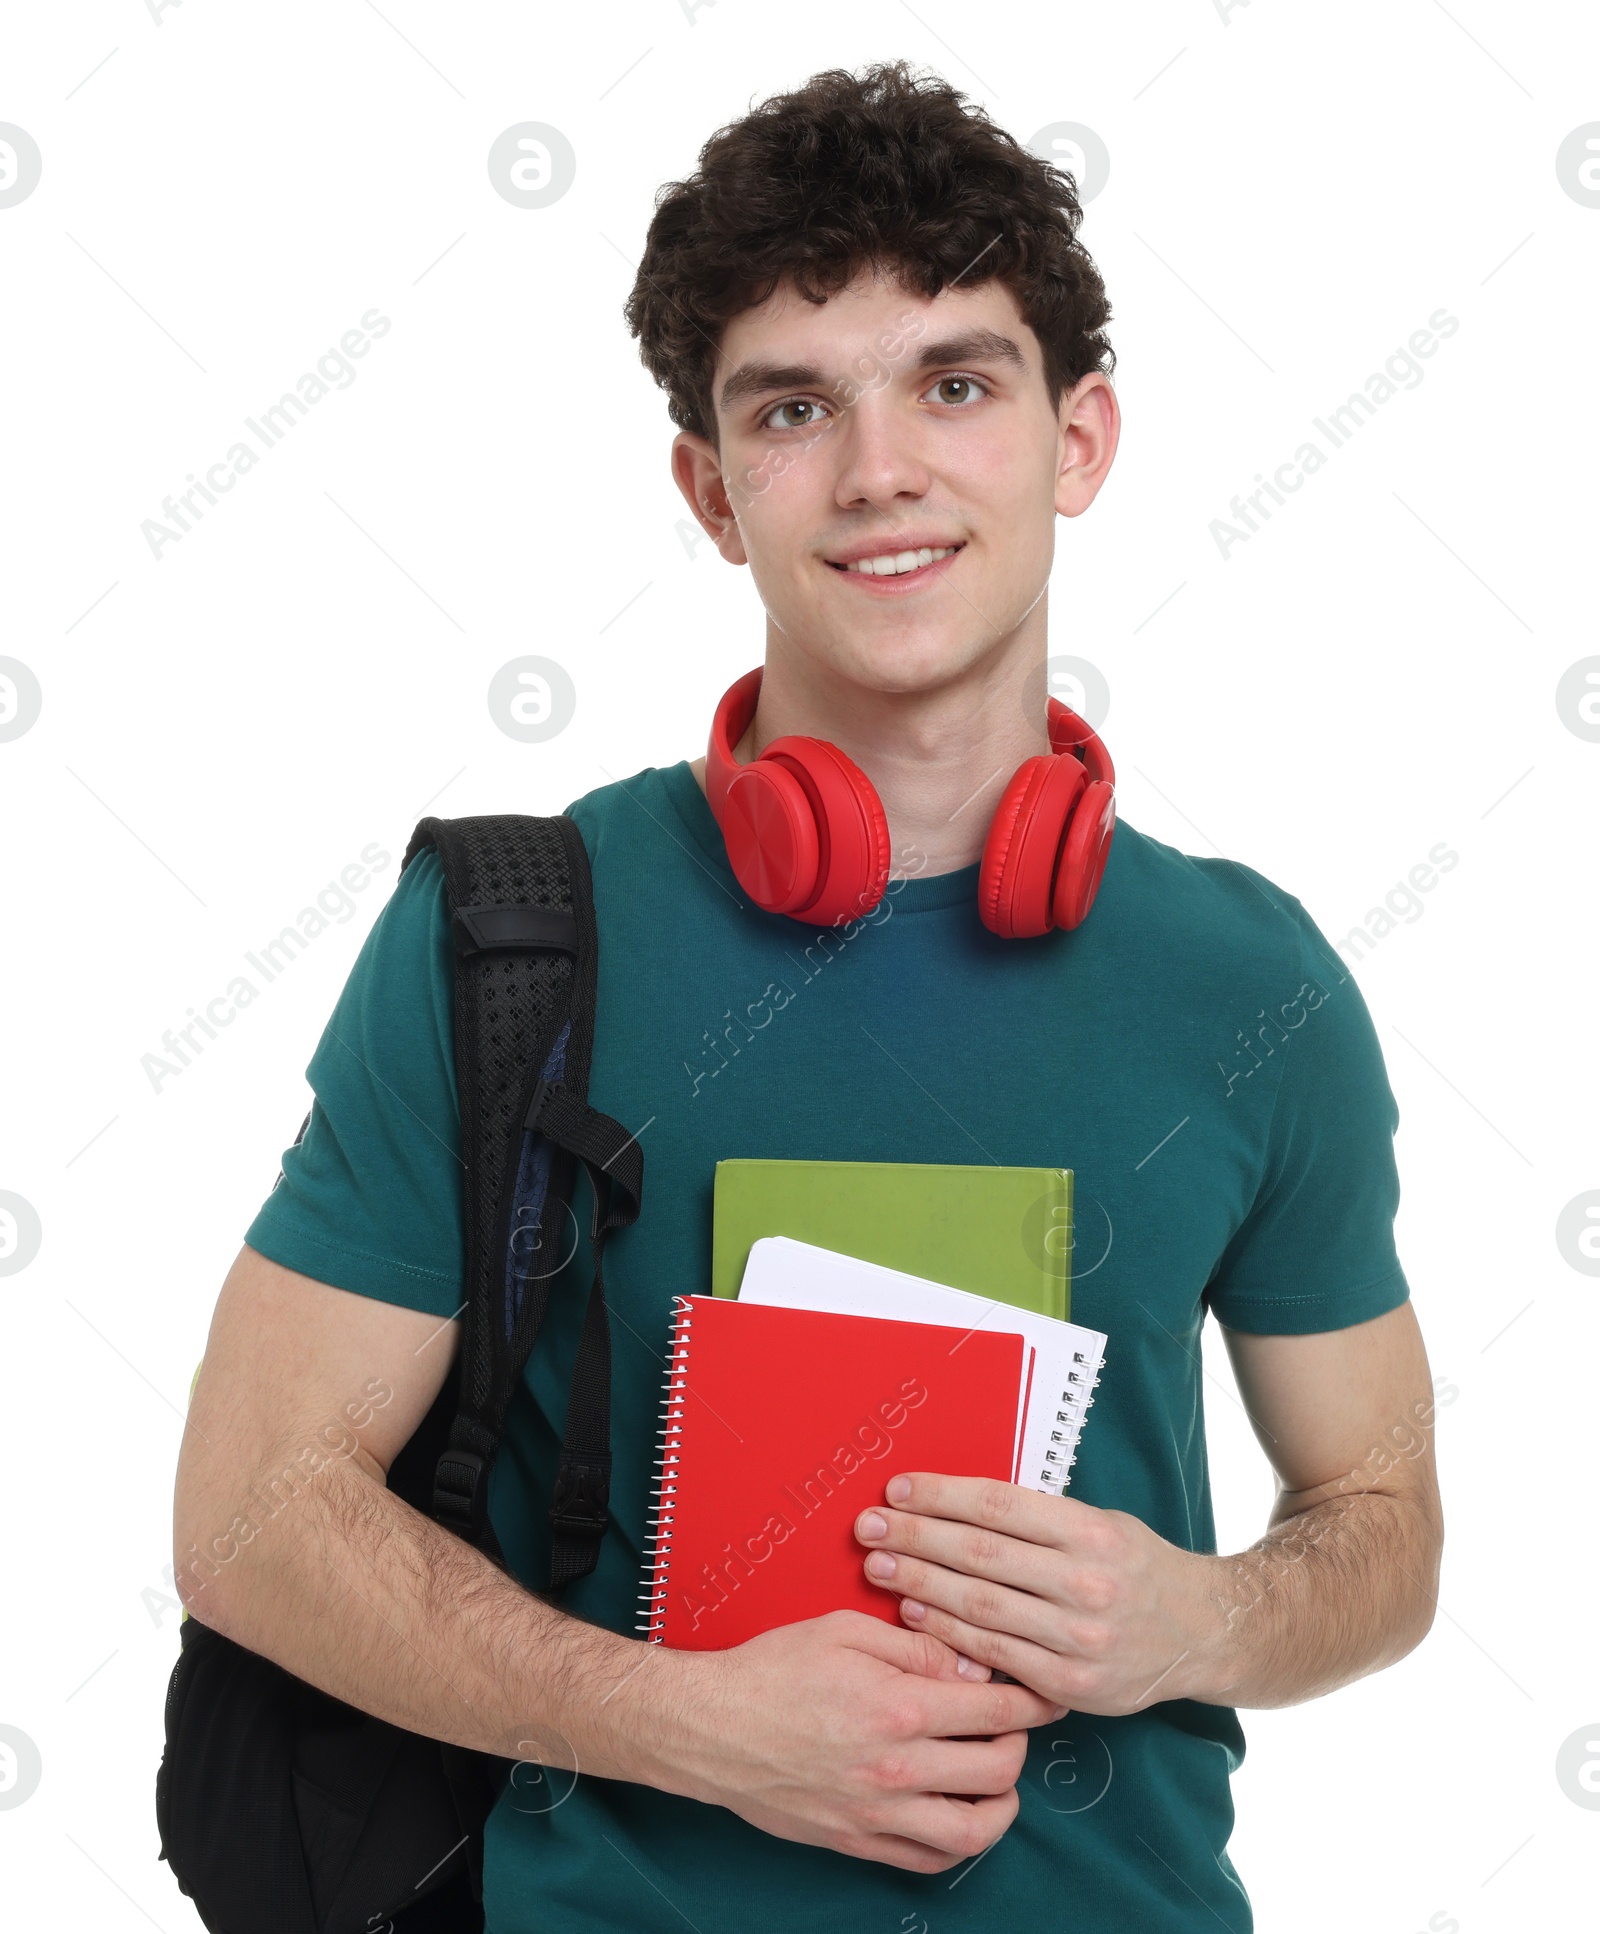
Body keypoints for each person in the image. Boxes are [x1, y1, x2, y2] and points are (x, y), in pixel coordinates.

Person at [173, 60, 1443, 1932]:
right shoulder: (515, 933)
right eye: (793, 406)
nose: (879, 471)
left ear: (1079, 438)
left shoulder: (1255, 984)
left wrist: (1204, 1612)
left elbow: (1384, 1523)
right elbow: (252, 1517)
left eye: (954, 381)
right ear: (711, 487)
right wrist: (683, 1725)